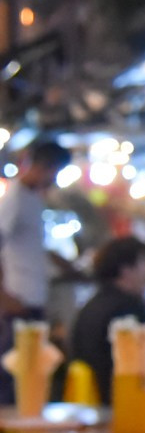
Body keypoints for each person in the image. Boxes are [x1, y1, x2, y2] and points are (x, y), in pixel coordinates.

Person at [0, 141, 68, 402]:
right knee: (15, 377)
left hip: (31, 298)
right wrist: (5, 297)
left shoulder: (31, 198)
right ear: (44, 167)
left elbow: (32, 247)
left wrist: (62, 263)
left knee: (30, 376)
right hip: (19, 300)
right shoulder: (15, 198)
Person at [69, 237, 145, 405]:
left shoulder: (91, 305)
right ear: (126, 270)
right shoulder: (128, 309)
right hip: (118, 401)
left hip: (89, 401)